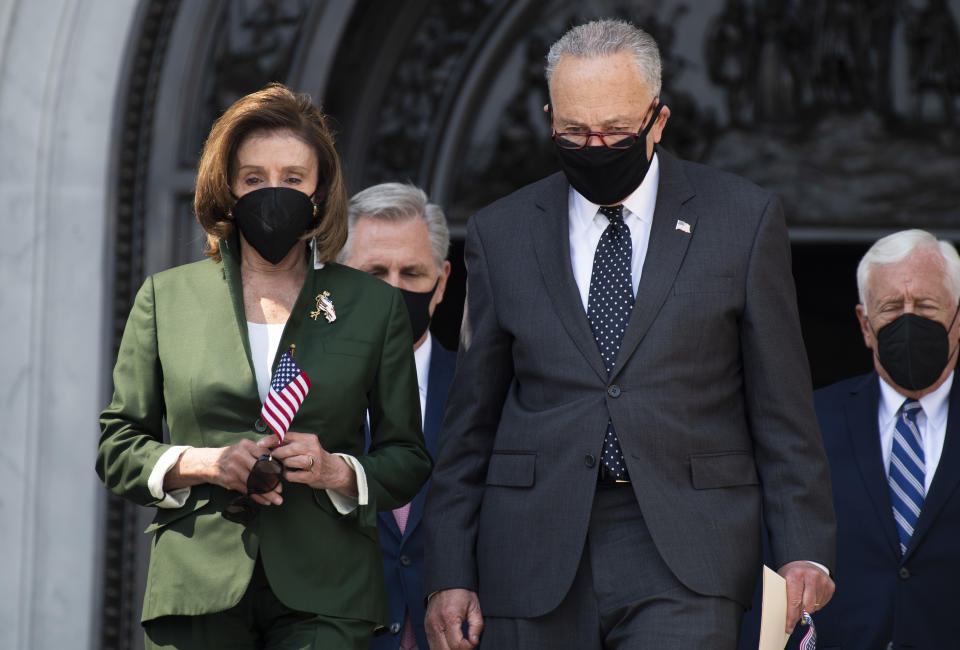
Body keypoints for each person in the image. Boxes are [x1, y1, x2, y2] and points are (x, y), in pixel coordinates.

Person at [422, 18, 836, 650]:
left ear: (658, 120)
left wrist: (804, 549)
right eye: (573, 131)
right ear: (548, 119)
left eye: (615, 131)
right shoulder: (500, 233)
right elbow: (469, 423)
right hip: (532, 549)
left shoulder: (743, 220)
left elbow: (782, 409)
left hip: (688, 547)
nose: (594, 146)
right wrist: (448, 573)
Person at [97, 83, 432, 649]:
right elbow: (117, 447)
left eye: (293, 179)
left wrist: (335, 470)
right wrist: (206, 462)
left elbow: (408, 458)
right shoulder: (167, 297)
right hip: (199, 586)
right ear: (227, 187)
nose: (273, 193)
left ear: (320, 189)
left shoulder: (370, 305)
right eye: (254, 179)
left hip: (328, 589)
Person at [802, 229, 960, 649]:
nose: (909, 321)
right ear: (865, 324)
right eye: (892, 308)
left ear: (958, 318)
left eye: (926, 306)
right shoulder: (809, 422)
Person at [339, 182, 456, 650]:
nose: (393, 290)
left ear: (442, 282)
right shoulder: (297, 393)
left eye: (411, 272)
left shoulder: (488, 391)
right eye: (374, 271)